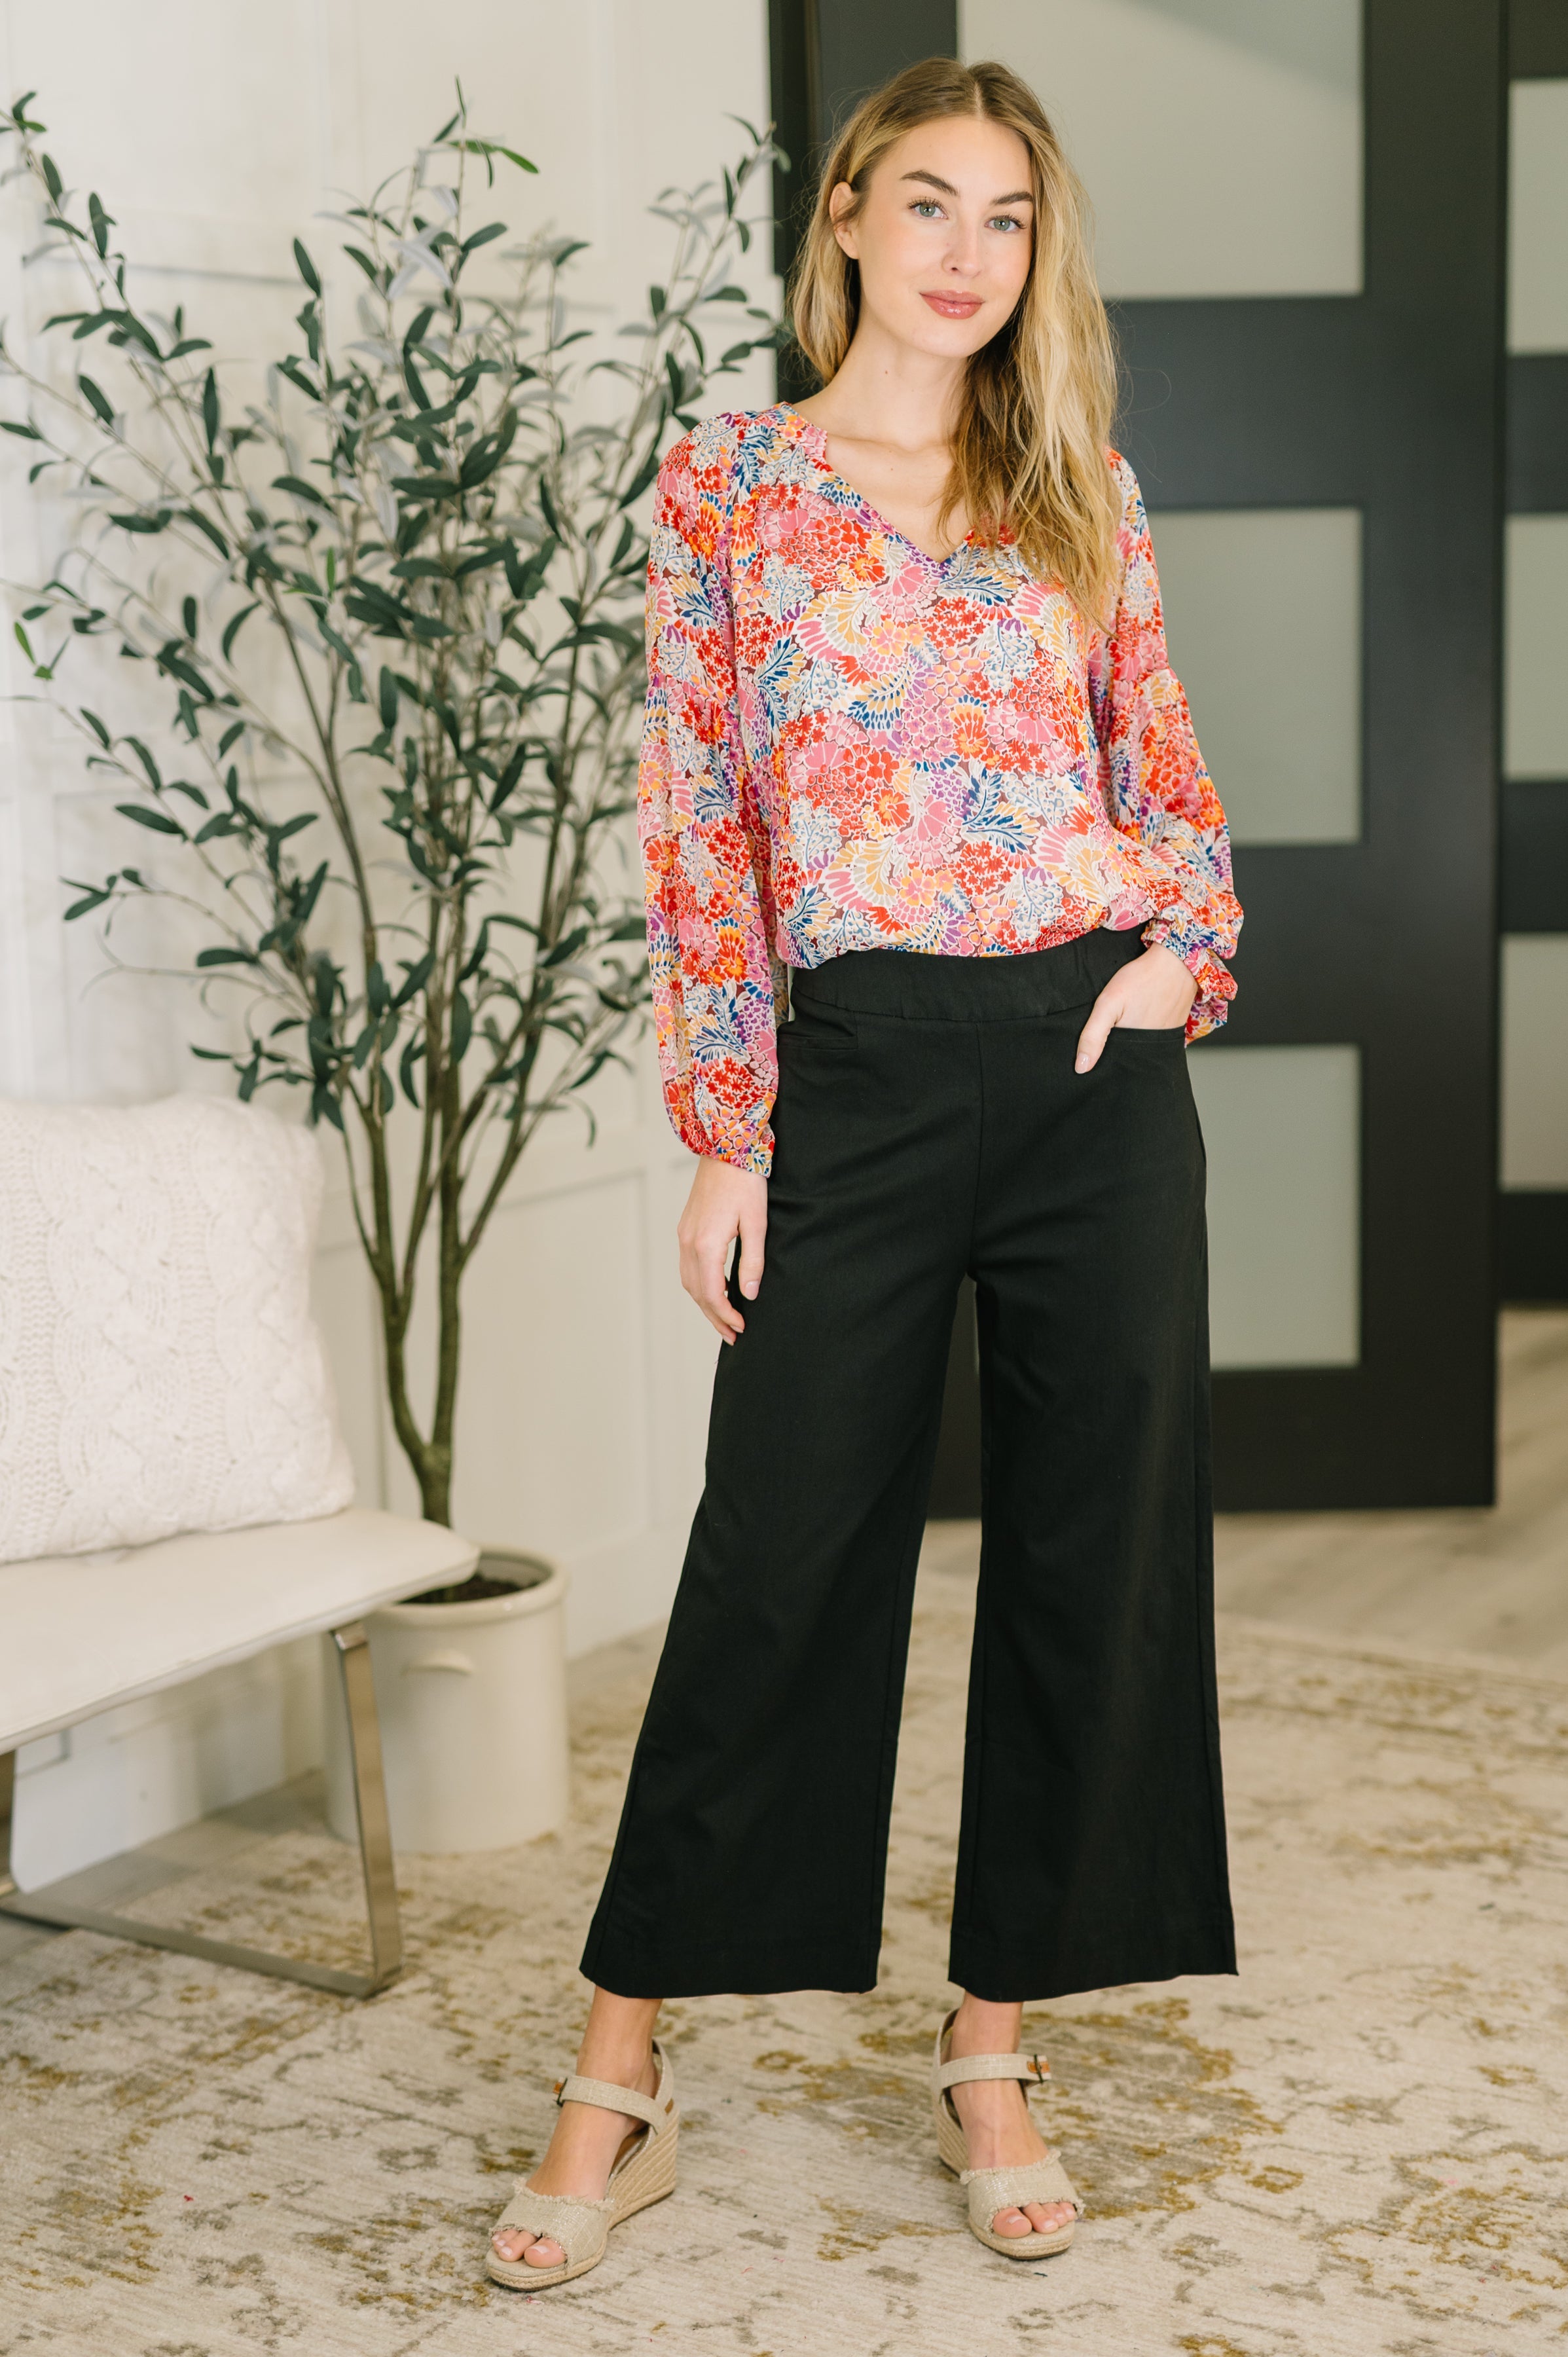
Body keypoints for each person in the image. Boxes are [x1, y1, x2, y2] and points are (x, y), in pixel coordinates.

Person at [488, 54, 1241, 2290]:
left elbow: (1162, 774)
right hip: (862, 1069)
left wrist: (1180, 958)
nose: (962, 253)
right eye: (926, 203)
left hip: (1089, 1060)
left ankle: (990, 2051)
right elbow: (699, 820)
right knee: (778, 1555)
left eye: (1005, 218)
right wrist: (729, 1131)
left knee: (1094, 1551)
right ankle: (619, 2075)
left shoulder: (1076, 481)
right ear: (842, 215)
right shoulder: (727, 480)